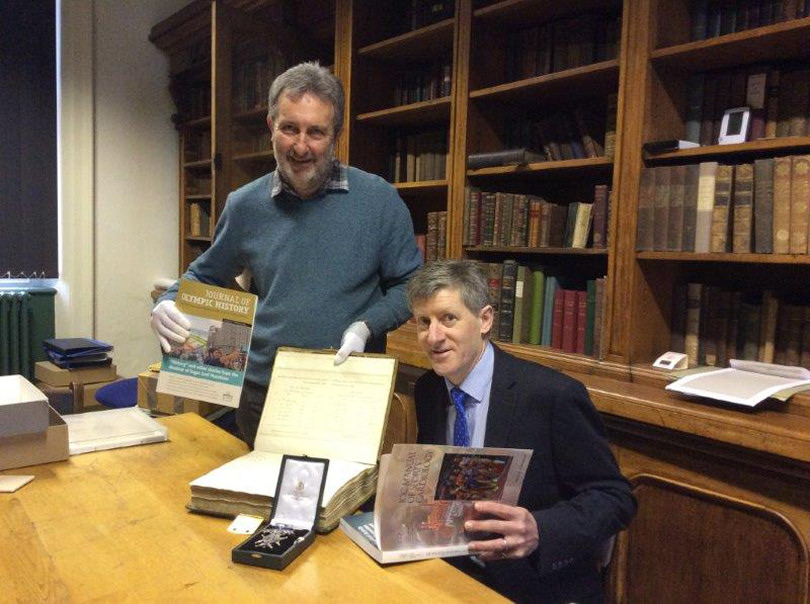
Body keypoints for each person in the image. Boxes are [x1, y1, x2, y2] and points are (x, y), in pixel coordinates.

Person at [151, 62, 422, 447]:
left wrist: (366, 326)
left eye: (316, 132)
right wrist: (166, 302)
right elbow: (204, 275)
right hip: (263, 394)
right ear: (271, 126)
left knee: (344, 489)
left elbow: (410, 285)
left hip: (347, 392)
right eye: (289, 128)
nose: (301, 146)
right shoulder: (245, 205)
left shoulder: (379, 200)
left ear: (336, 135)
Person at [406, 260, 636, 603]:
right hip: (452, 573)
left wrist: (540, 529)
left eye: (448, 318)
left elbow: (615, 497)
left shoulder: (551, 395)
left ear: (485, 320)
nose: (434, 337)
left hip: (535, 583)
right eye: (424, 322)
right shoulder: (429, 389)